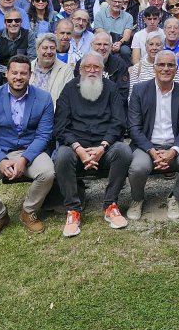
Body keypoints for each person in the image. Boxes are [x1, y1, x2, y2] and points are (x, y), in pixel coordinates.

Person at [0, 56, 55, 240]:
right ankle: (0, 215)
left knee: (47, 173)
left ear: (30, 75)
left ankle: (28, 211)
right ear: (6, 74)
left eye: (23, 73)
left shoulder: (44, 98)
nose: (18, 77)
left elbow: (43, 135)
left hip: (30, 149)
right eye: (14, 72)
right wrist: (0, 160)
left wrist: (24, 159)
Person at [53, 53, 134, 235]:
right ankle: (73, 209)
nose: (91, 70)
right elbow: (60, 126)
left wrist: (102, 147)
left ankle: (110, 204)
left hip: (104, 148)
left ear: (102, 70)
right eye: (87, 67)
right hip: (76, 149)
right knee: (62, 155)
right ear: (80, 70)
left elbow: (119, 122)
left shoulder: (111, 88)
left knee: (123, 151)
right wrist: (79, 149)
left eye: (96, 67)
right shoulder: (69, 89)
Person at [126, 50, 179, 220]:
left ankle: (175, 197)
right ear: (154, 67)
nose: (166, 68)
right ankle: (137, 199)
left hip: (175, 146)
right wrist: (152, 151)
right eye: (161, 64)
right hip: (146, 147)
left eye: (170, 65)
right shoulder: (140, 90)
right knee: (138, 167)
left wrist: (173, 151)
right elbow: (134, 128)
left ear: (176, 69)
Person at [28, 33, 74, 103]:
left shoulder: (66, 70)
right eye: (45, 48)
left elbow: (69, 97)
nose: (49, 51)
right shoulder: (28, 68)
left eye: (52, 48)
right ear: (37, 50)